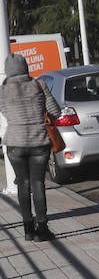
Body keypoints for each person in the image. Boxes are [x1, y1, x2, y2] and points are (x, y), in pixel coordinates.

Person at [0, 53, 61, 242]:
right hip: (39, 143)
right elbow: (55, 112)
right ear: (26, 67)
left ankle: (27, 229)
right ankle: (42, 228)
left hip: (15, 144)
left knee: (23, 184)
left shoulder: (2, 91)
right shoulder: (39, 85)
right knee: (38, 184)